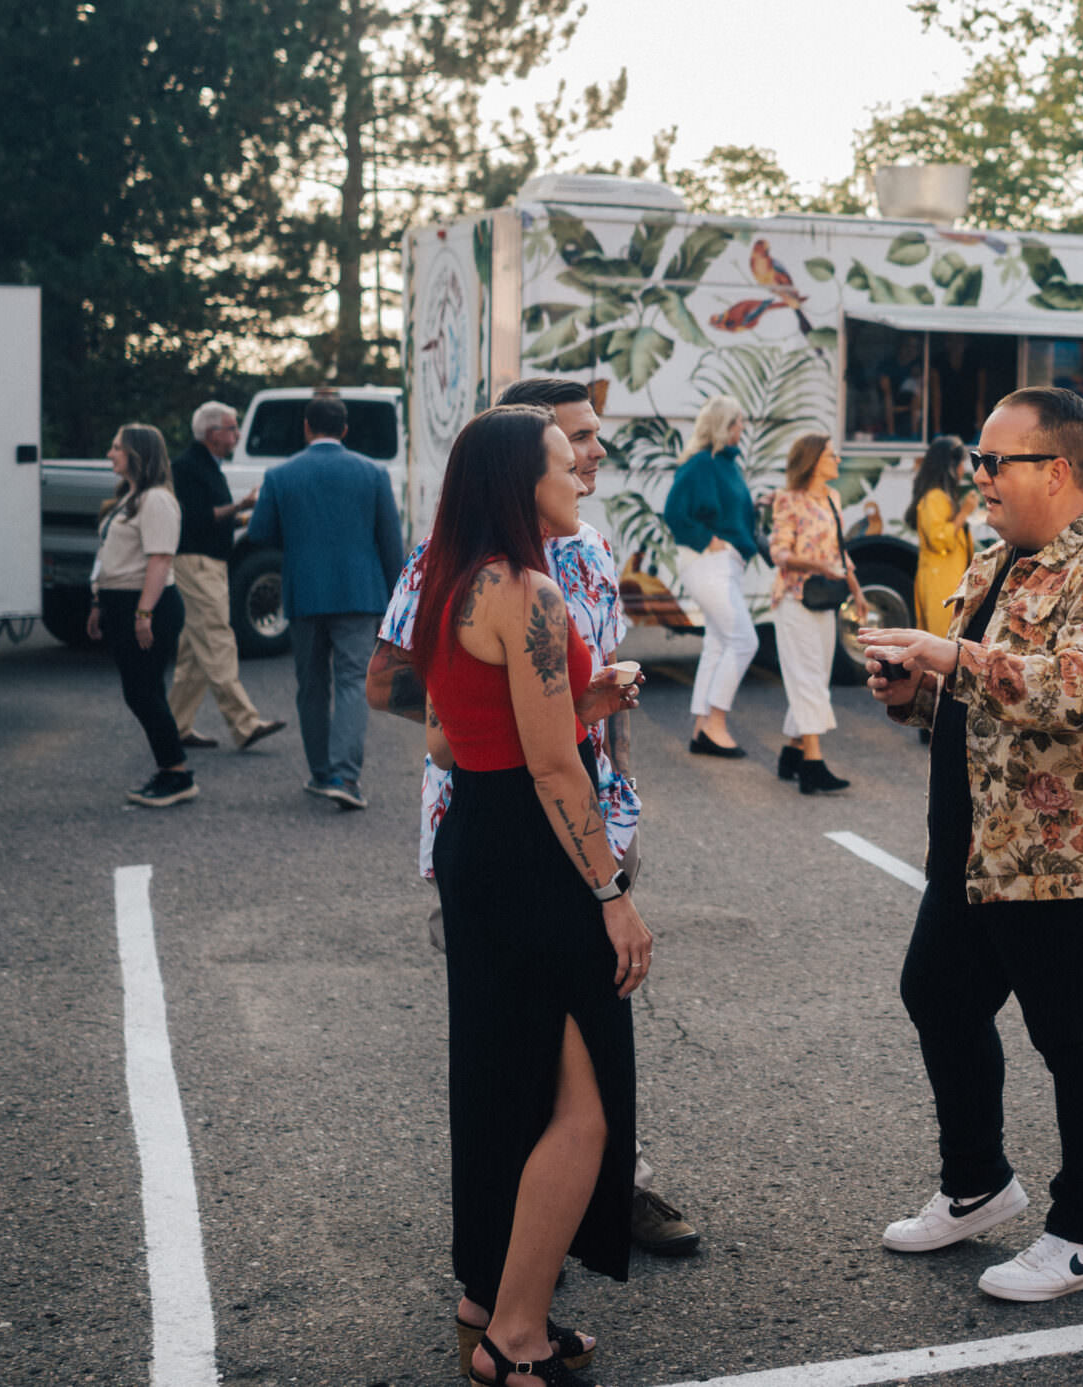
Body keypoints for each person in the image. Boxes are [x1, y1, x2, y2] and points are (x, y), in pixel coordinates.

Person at [858, 387, 1083, 1305]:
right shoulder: (1002, 559)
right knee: (938, 994)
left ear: (1056, 469)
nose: (980, 476)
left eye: (995, 461)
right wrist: (917, 693)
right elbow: (989, 699)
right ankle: (977, 1183)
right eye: (979, 460)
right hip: (984, 849)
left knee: (1077, 1041)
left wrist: (948, 656)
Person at [366, 379, 701, 1262]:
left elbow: (534, 716)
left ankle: (558, 1228)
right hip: (522, 824)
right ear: (525, 464)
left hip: (583, 809)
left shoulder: (582, 552)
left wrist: (577, 706)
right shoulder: (470, 569)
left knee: (546, 1058)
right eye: (573, 441)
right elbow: (409, 698)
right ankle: (524, 1267)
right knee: (539, 1065)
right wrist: (523, 726)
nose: (593, 456)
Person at [411, 403, 650, 1386]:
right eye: (563, 460)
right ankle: (514, 1340)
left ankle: (490, 1296)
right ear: (521, 483)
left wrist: (581, 701)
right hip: (535, 852)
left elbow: (446, 738)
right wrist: (613, 892)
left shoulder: (450, 581)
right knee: (584, 1106)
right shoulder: (532, 593)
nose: (581, 472)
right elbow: (555, 771)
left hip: (476, 836)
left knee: (502, 1076)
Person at [247, 395, 405, 810]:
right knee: (352, 680)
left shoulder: (280, 474)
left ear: (306, 427)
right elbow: (390, 541)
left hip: (305, 592)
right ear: (345, 429)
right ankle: (345, 777)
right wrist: (398, 600)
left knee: (311, 685)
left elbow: (260, 533)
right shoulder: (373, 473)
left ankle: (320, 773)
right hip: (359, 593)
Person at [87, 425, 196, 808]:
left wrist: (144, 613)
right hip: (121, 602)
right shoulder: (129, 498)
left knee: (143, 692)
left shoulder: (156, 500)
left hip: (148, 605)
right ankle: (169, 769)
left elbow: (160, 559)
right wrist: (98, 602)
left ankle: (177, 773)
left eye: (117, 448)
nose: (110, 454)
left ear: (137, 454)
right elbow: (109, 555)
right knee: (142, 691)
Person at [168, 402, 284, 751]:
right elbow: (197, 518)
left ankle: (174, 726)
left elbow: (214, 518)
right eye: (232, 428)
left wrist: (246, 516)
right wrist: (241, 506)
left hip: (210, 562)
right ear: (212, 433)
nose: (237, 434)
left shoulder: (209, 466)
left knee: (193, 651)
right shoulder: (187, 467)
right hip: (196, 564)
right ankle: (245, 724)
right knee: (218, 638)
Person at [663, 395, 761, 759]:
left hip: (724, 564)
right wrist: (708, 540)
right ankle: (715, 723)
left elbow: (732, 513)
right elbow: (674, 512)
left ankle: (701, 728)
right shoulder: (701, 463)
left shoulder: (725, 465)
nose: (743, 427)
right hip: (709, 563)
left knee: (718, 644)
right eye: (738, 421)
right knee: (744, 641)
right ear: (724, 425)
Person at [769, 433, 865, 795]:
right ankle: (812, 763)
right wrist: (816, 566)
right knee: (807, 679)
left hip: (824, 599)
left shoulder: (832, 498)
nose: (837, 460)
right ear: (812, 461)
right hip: (794, 598)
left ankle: (791, 753)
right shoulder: (788, 500)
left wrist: (857, 590)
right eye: (831, 455)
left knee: (816, 679)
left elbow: (839, 551)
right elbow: (779, 553)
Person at [912, 437, 973, 636]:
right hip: (940, 582)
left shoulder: (943, 497)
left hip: (946, 578)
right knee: (942, 637)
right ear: (950, 466)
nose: (963, 469)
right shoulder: (934, 498)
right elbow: (938, 540)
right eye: (961, 463)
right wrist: (964, 513)